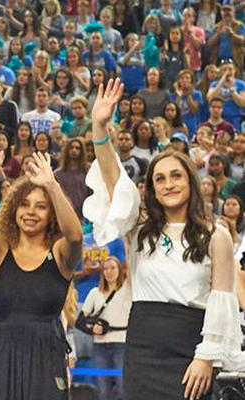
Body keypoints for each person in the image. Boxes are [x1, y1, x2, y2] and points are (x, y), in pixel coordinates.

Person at [87, 78, 245, 400]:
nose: (168, 184)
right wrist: (99, 128)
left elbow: (222, 300)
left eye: (176, 176)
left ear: (191, 181)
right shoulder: (138, 227)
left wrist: (206, 356)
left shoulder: (216, 235)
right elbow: (113, 178)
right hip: (142, 346)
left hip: (191, 347)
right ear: (152, 188)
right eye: (160, 178)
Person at [0, 140, 83, 400]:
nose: (31, 212)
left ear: (51, 214)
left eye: (41, 206)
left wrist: (52, 185)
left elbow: (75, 235)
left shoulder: (61, 252)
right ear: (13, 209)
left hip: (46, 353)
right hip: (2, 353)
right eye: (25, 204)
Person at [78, 256, 131, 400]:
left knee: (122, 388)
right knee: (102, 391)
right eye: (105, 268)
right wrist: (91, 329)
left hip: (121, 344)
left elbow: (132, 267)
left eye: (113, 267)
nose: (109, 271)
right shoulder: (95, 293)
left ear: (119, 270)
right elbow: (80, 322)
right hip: (100, 346)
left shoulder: (128, 289)